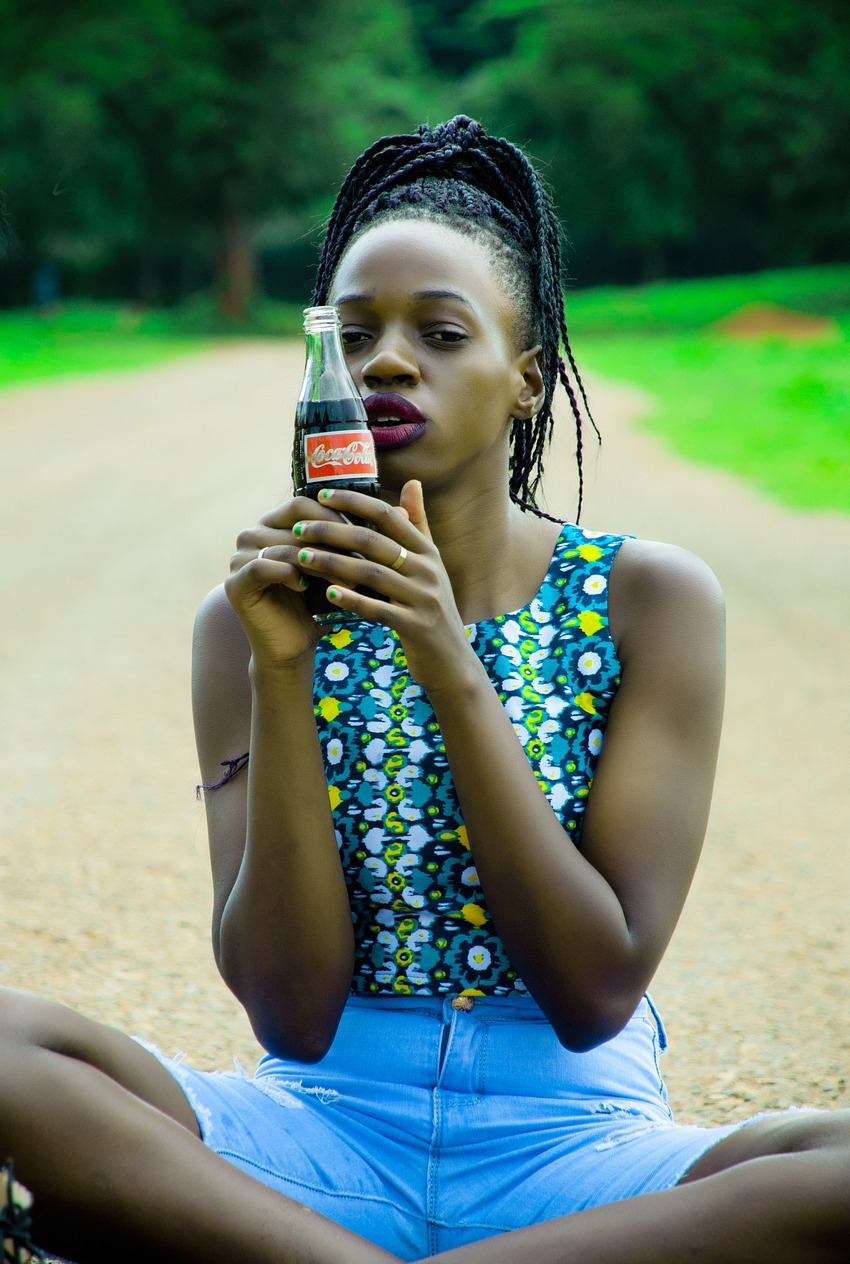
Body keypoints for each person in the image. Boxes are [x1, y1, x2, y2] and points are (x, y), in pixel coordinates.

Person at [0, 115, 847, 1264]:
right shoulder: (246, 621)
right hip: (312, 1145)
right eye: (350, 338)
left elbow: (595, 987)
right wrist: (284, 668)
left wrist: (451, 663)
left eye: (441, 334)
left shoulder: (649, 598)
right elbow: (289, 1016)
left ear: (525, 378)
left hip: (581, 1159)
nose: (387, 361)